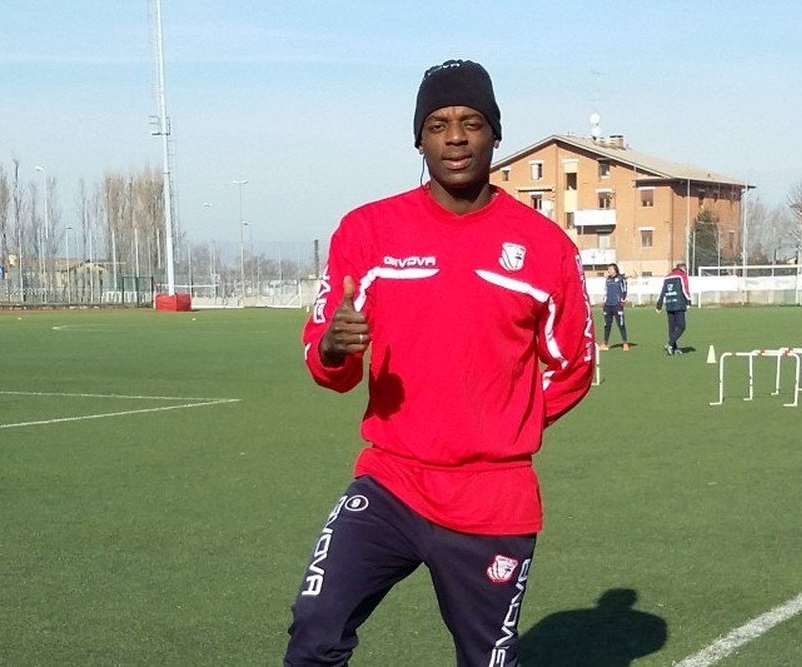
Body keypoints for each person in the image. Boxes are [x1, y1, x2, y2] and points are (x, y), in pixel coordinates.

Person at [286, 59, 596, 667]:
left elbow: (573, 365)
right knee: (315, 629)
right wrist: (332, 349)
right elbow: (330, 360)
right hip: (390, 482)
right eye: (438, 124)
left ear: (495, 134)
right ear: (419, 138)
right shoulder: (368, 230)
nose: (455, 137)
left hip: (493, 499)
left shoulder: (544, 247)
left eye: (472, 122)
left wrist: (505, 425)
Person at [655, 262, 691, 355]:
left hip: (669, 305)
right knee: (681, 327)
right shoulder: (682, 275)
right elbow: (685, 288)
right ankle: (670, 344)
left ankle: (674, 348)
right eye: (685, 269)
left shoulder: (667, 277)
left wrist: (659, 304)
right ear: (682, 268)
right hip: (679, 304)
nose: (686, 271)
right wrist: (688, 300)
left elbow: (663, 291)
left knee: (672, 328)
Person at [599, 262, 629, 350]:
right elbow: (605, 291)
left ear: (615, 269)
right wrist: (604, 301)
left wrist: (623, 299)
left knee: (621, 324)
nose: (609, 270)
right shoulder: (607, 279)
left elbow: (624, 289)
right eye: (608, 269)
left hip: (617, 305)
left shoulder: (621, 279)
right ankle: (605, 343)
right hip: (608, 305)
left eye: (610, 269)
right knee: (607, 325)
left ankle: (625, 343)